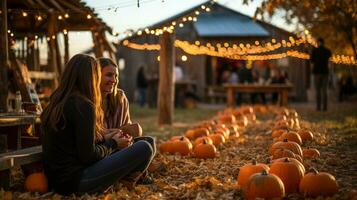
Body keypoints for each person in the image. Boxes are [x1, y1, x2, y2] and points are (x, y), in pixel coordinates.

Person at [41, 54, 155, 195]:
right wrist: (113, 144)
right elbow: (88, 156)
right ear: (89, 76)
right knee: (144, 148)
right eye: (96, 74)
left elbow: (75, 145)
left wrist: (105, 137)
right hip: (76, 182)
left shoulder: (58, 101)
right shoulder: (83, 106)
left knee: (146, 141)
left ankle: (123, 178)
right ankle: (124, 179)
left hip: (57, 180)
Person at [310, 38, 332, 111]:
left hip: (317, 72)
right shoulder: (327, 51)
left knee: (318, 90)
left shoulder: (314, 51)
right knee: (324, 90)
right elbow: (330, 59)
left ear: (318, 42)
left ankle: (318, 107)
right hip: (325, 72)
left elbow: (311, 61)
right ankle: (324, 107)